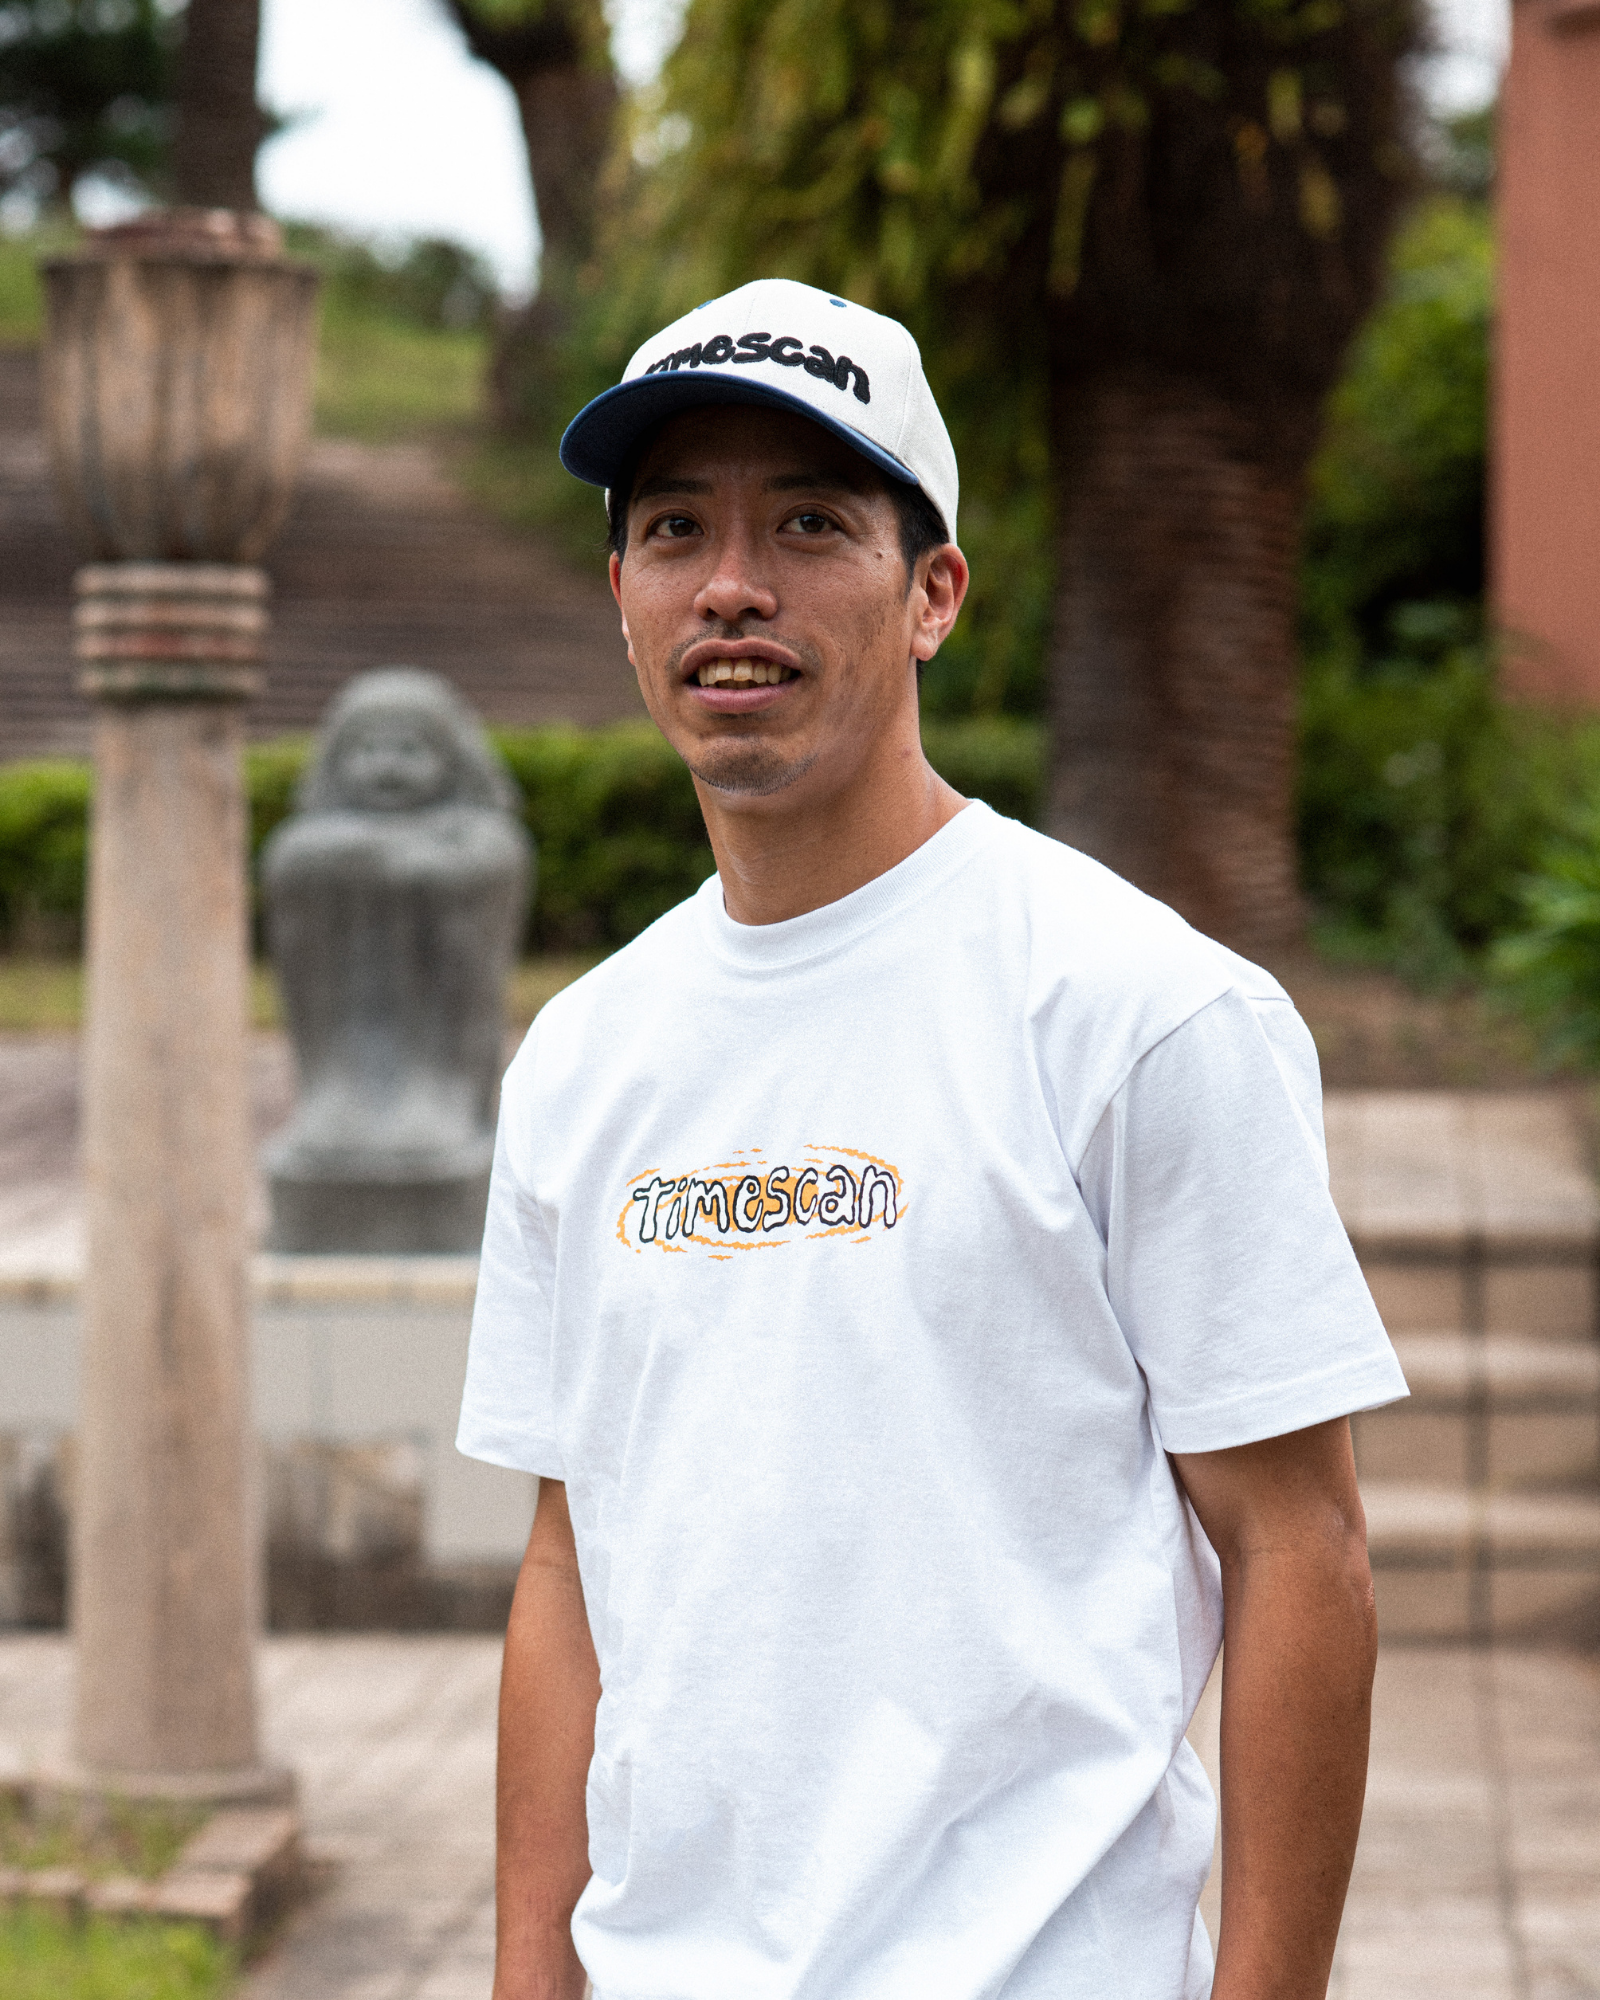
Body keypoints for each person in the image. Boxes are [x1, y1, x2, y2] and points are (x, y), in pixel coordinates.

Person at [457, 277, 1407, 2000]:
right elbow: (566, 1557)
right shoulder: (582, 1059)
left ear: (934, 595)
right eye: (676, 529)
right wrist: (533, 1978)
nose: (732, 585)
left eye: (810, 524)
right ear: (623, 598)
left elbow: (1301, 1550)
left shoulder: (1135, 1009)